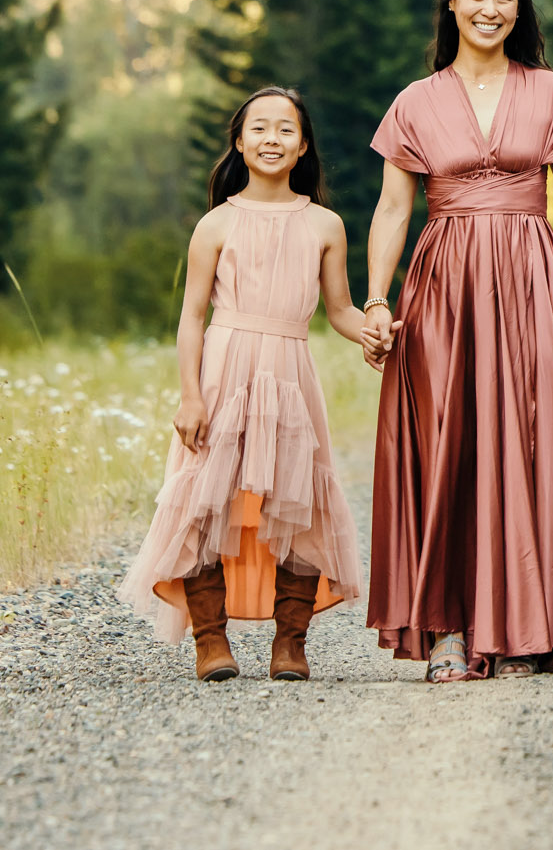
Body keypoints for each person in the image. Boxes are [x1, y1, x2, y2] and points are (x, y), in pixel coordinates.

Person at [362, 0, 553, 681]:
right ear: (451, 2)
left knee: (533, 442)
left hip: (528, 281)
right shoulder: (415, 102)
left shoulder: (547, 89)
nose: (491, 8)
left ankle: (526, 626)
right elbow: (393, 207)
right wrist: (378, 299)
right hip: (443, 285)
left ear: (521, 9)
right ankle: (450, 629)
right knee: (452, 449)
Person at [118, 87, 371, 682]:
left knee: (297, 502)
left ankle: (291, 644)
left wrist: (374, 334)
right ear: (239, 141)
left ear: (304, 144)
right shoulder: (216, 223)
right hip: (225, 368)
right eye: (259, 129)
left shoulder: (325, 223)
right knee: (209, 499)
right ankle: (211, 641)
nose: (272, 140)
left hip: (290, 370)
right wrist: (190, 394)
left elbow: (339, 310)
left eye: (286, 130)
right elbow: (191, 318)